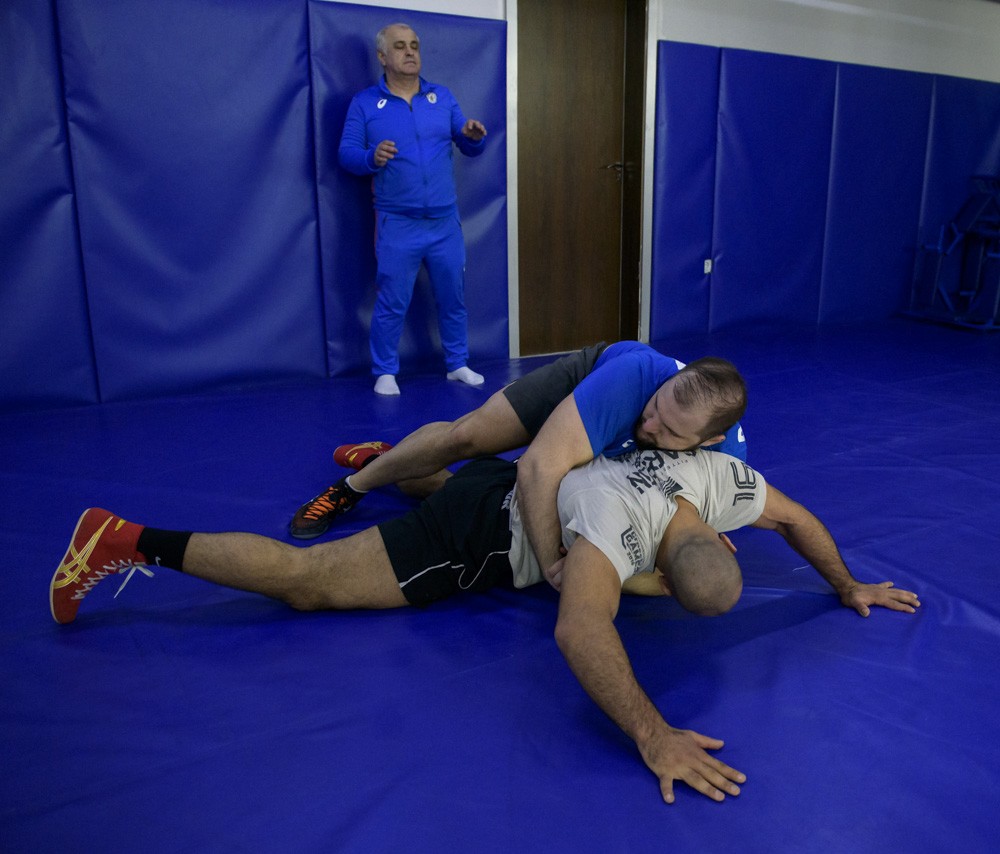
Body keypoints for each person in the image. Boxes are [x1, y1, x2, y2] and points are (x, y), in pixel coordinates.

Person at [51, 448, 919, 805]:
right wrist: (654, 736)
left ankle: (390, 463)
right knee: (310, 584)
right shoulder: (613, 540)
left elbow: (796, 521)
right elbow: (581, 632)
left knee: (464, 476)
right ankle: (124, 539)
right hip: (475, 537)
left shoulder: (722, 475)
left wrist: (847, 585)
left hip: (515, 476)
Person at [290, 341, 748, 589]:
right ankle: (354, 484)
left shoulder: (726, 465)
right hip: (596, 389)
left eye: (669, 431)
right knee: (468, 436)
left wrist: (696, 537)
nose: (649, 425)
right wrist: (551, 565)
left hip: (621, 423)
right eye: (655, 408)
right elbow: (536, 467)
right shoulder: (632, 382)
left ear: (710, 442)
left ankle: (399, 464)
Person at [339, 23, 487, 396]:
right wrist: (371, 157)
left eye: (415, 46)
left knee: (453, 298)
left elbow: (467, 142)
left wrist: (472, 137)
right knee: (392, 301)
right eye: (400, 46)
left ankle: (457, 364)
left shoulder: (442, 97)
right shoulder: (365, 103)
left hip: (444, 223)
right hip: (397, 223)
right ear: (382, 56)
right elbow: (347, 154)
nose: (410, 52)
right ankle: (385, 372)